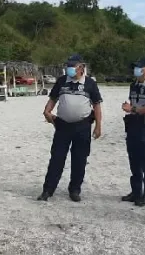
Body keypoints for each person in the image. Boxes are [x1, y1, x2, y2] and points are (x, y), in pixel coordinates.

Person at [38, 55, 103, 202]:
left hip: (83, 126)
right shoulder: (62, 81)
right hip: (62, 126)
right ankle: (48, 190)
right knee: (57, 158)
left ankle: (74, 190)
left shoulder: (90, 83)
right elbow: (53, 99)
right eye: (68, 66)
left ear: (81, 68)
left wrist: (98, 126)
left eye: (72, 66)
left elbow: (97, 105)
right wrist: (47, 111)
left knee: (79, 159)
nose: (69, 69)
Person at [121, 57, 145, 207]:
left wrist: (133, 109)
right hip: (133, 125)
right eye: (135, 67)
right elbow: (133, 103)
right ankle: (136, 192)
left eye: (139, 67)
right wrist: (129, 107)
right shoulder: (134, 85)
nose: (136, 70)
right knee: (134, 161)